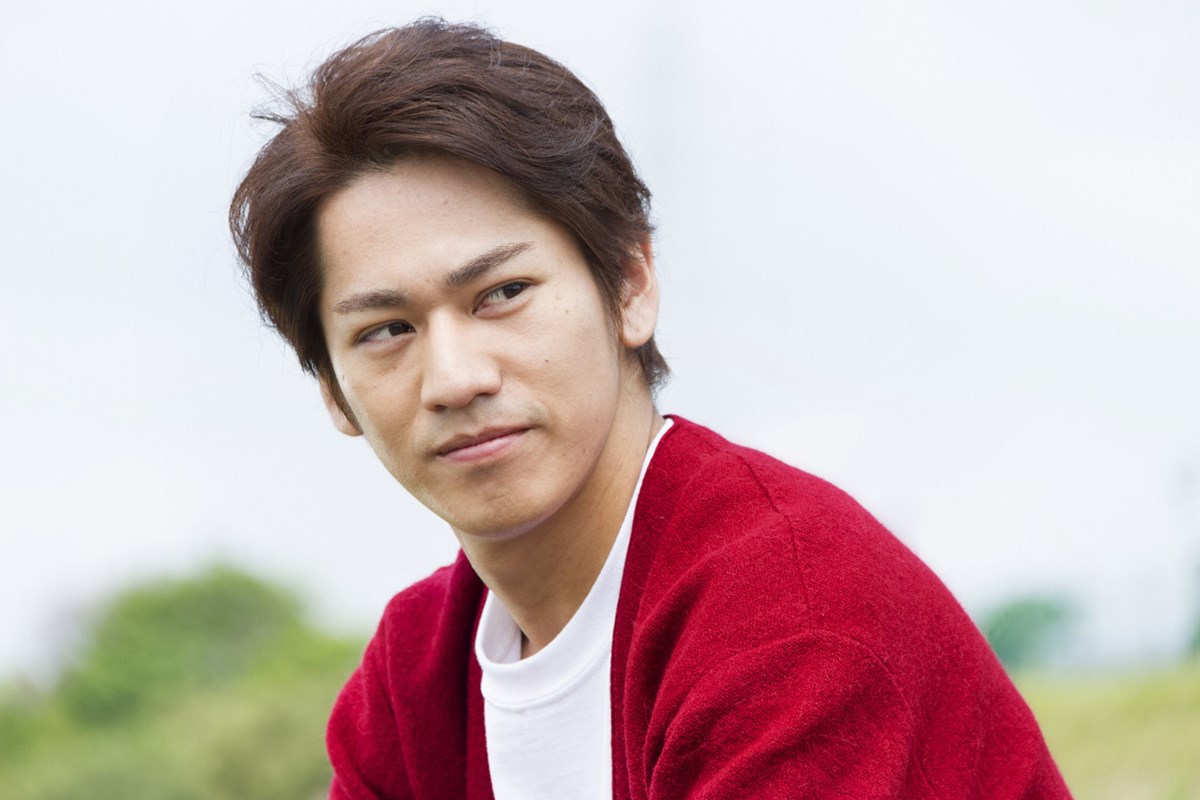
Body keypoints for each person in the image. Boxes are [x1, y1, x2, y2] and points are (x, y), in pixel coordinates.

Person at [230, 18, 1072, 800]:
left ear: (630, 285)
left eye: (503, 293)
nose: (454, 378)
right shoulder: (415, 679)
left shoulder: (794, 619)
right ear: (331, 389)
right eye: (386, 330)